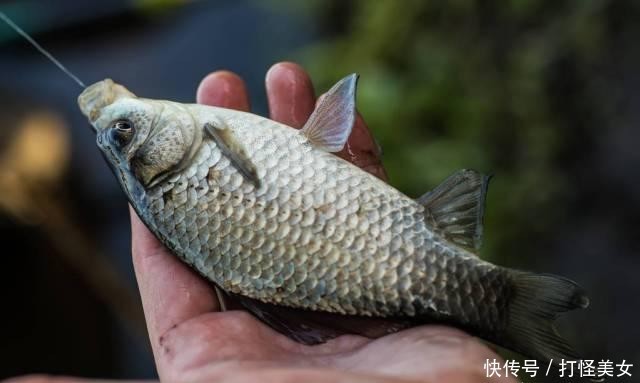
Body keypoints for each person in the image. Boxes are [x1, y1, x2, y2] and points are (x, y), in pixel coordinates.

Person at [8, 62, 512, 383]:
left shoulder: (185, 165)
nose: (126, 123)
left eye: (122, 131)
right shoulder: (192, 153)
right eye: (125, 133)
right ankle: (499, 308)